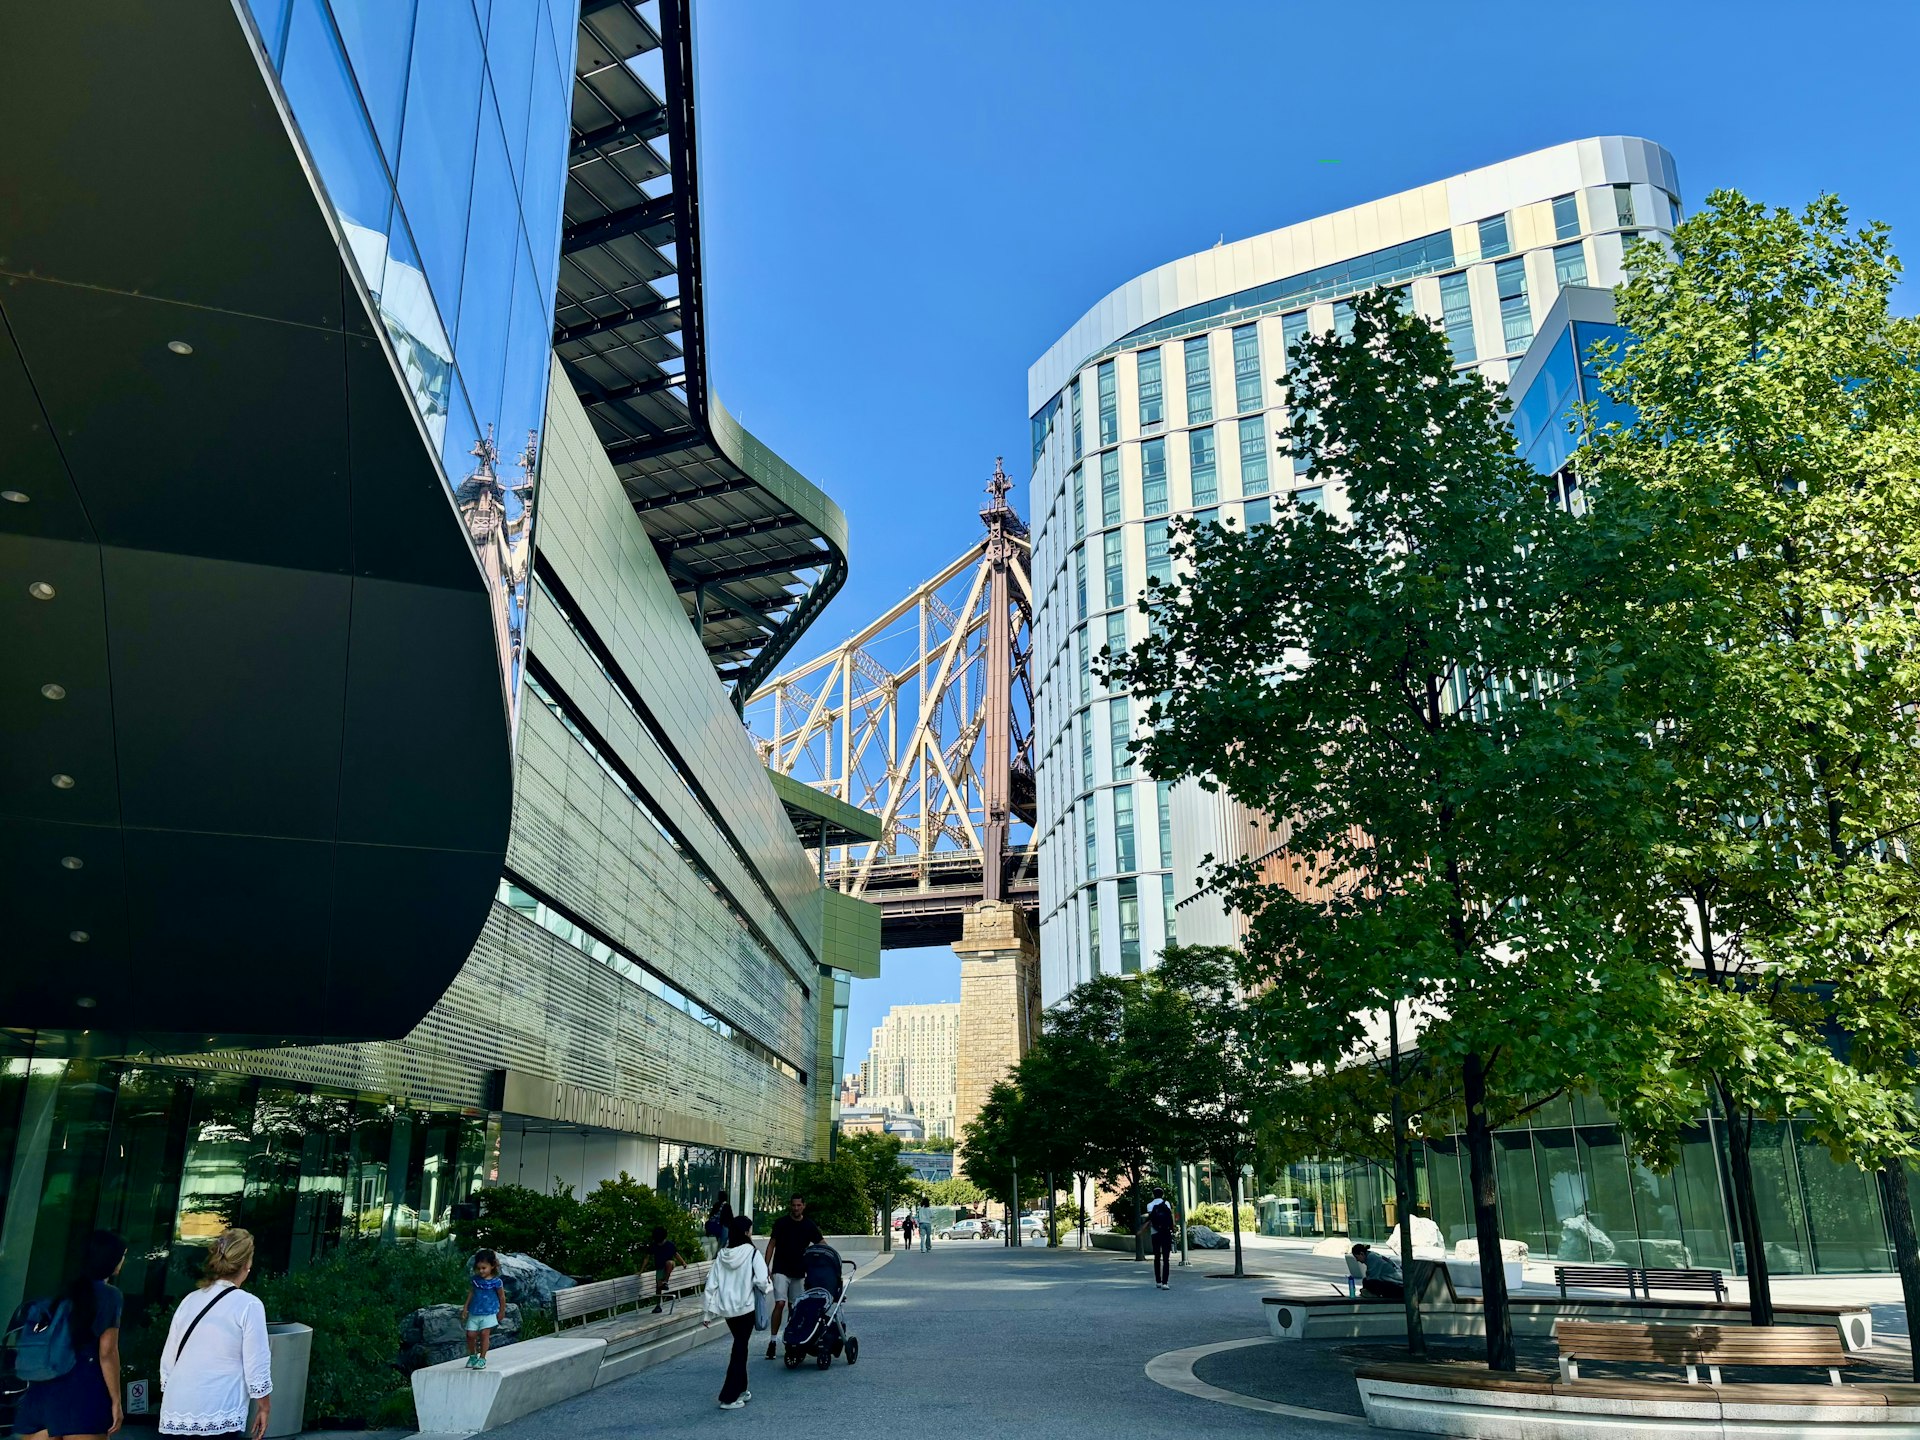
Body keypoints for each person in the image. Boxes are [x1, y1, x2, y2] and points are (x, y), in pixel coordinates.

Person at [159, 1227, 272, 1440]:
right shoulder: (249, 1305)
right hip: (218, 1408)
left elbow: (169, 1359)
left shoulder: (190, 1300)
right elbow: (256, 1363)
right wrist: (264, 1406)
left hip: (176, 1409)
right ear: (247, 1263)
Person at [14, 1228, 126, 1440]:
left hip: (42, 1388)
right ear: (110, 1260)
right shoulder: (109, 1296)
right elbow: (107, 1352)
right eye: (123, 1256)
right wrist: (116, 1401)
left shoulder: (56, 1290)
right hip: (83, 1390)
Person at [701, 1214, 769, 1410]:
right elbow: (762, 1280)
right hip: (745, 1307)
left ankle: (742, 1388)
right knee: (739, 1349)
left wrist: (707, 1314)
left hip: (727, 1310)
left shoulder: (722, 1254)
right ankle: (728, 1397)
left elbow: (711, 1284)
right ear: (747, 1232)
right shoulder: (752, 1253)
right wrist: (762, 1290)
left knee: (741, 1346)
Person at [762, 1194, 822, 1359]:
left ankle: (791, 1339)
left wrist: (829, 1259)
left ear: (803, 1206)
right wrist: (765, 1266)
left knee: (795, 1308)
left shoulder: (809, 1225)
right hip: (781, 1269)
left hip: (799, 1271)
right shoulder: (781, 1223)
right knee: (780, 1303)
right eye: (793, 1205)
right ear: (790, 1206)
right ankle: (773, 1341)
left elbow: (821, 1243)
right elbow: (771, 1244)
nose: (796, 1208)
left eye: (798, 1205)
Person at [460, 1250, 504, 1370]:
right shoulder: (475, 1280)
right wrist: (465, 1307)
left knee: (485, 1334)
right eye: (479, 1268)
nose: (481, 1271)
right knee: (470, 1334)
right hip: (475, 1312)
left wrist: (501, 1311)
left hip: (489, 1312)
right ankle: (473, 1355)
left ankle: (482, 1358)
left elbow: (501, 1296)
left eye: (484, 1268)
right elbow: (471, 1293)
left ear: (492, 1266)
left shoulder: (496, 1282)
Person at [1141, 1186, 1177, 1290]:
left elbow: (1150, 1219)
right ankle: (1165, 1283)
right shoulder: (1166, 1204)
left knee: (1157, 1257)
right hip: (1166, 1232)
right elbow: (1171, 1218)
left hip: (1155, 1232)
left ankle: (1158, 1281)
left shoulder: (1150, 1205)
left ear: (1153, 1194)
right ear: (1163, 1194)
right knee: (1166, 1259)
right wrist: (1173, 1228)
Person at [648, 1226, 685, 1314]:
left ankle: (666, 1281)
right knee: (658, 1286)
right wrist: (641, 1271)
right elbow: (647, 1257)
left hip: (669, 1265)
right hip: (659, 1268)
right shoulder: (654, 1245)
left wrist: (683, 1262)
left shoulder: (669, 1245)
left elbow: (676, 1254)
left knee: (669, 1263)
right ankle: (658, 1305)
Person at [703, 1190, 733, 1261]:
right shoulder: (727, 1206)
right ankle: (718, 1256)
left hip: (714, 1227)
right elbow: (730, 1218)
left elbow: (711, 1215)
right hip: (723, 1226)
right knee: (722, 1243)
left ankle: (715, 1256)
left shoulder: (716, 1205)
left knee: (715, 1242)